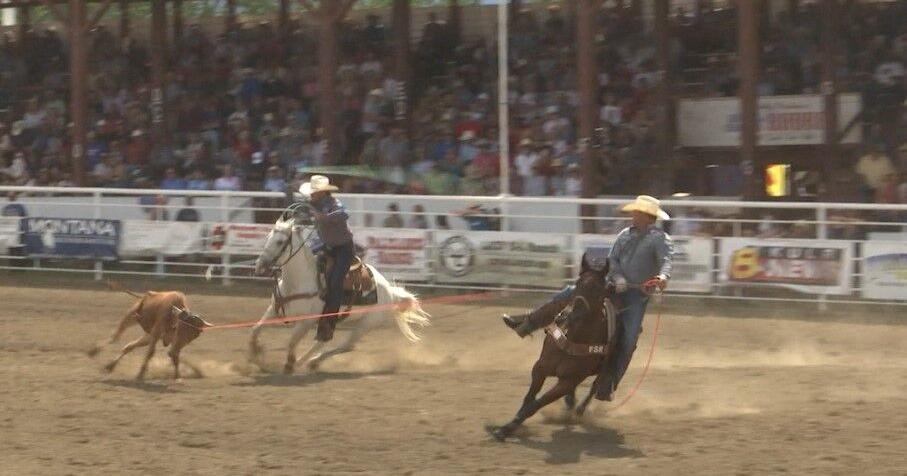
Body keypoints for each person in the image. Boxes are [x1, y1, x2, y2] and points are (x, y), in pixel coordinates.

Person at [501, 195, 674, 401]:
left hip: (635, 297)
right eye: (634, 211)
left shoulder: (660, 238)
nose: (633, 215)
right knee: (570, 292)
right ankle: (528, 323)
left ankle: (607, 383)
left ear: (648, 216)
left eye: (637, 212)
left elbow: (666, 261)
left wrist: (662, 277)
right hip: (611, 285)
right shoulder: (624, 234)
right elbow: (613, 259)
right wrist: (617, 277)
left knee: (628, 338)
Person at [299, 175, 354, 342]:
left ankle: (329, 324)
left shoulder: (335, 204)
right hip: (326, 246)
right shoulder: (312, 205)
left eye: (314, 192)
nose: (311, 195)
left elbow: (344, 214)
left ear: (322, 193)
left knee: (335, 282)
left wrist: (324, 217)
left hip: (343, 249)